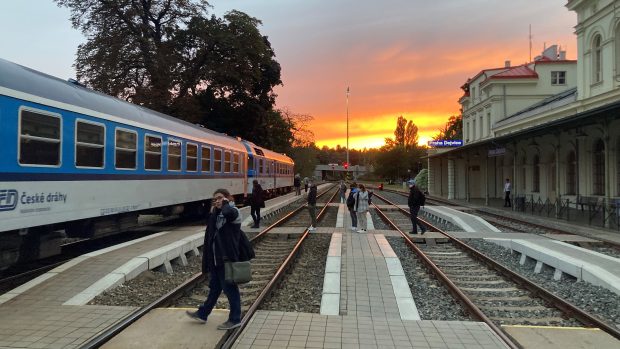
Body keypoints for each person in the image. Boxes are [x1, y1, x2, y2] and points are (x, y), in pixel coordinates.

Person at [186, 189, 242, 330]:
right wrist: (213, 211)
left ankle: (235, 319)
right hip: (216, 259)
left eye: (219, 198)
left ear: (227, 198)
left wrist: (225, 204)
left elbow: (229, 213)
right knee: (215, 288)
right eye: (215, 199)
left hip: (226, 259)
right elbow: (210, 231)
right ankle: (203, 313)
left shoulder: (234, 211)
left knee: (230, 289)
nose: (217, 201)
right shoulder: (217, 214)